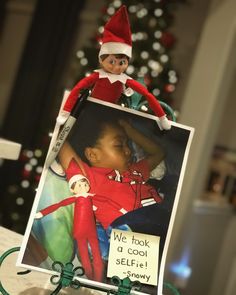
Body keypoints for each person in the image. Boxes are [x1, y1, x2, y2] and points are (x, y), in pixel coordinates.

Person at [56, 5, 171, 130]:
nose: (116, 67)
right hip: (89, 112)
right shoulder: (98, 75)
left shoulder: (125, 80)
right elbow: (78, 88)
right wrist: (66, 111)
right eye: (111, 61)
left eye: (122, 63)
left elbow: (147, 95)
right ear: (101, 59)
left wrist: (162, 117)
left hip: (109, 116)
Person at [58, 116, 165, 230]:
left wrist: (130, 130)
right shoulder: (91, 180)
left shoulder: (134, 170)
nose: (129, 151)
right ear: (93, 155)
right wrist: (61, 126)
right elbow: (62, 144)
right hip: (135, 234)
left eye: (128, 144)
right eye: (119, 145)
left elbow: (158, 153)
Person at [35, 172, 104, 282]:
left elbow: (107, 201)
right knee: (85, 254)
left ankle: (98, 279)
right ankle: (92, 278)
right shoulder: (75, 198)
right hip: (80, 230)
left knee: (96, 254)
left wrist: (120, 210)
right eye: (79, 185)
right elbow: (59, 204)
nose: (83, 187)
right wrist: (42, 213)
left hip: (90, 230)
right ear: (72, 190)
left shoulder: (90, 197)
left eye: (85, 184)